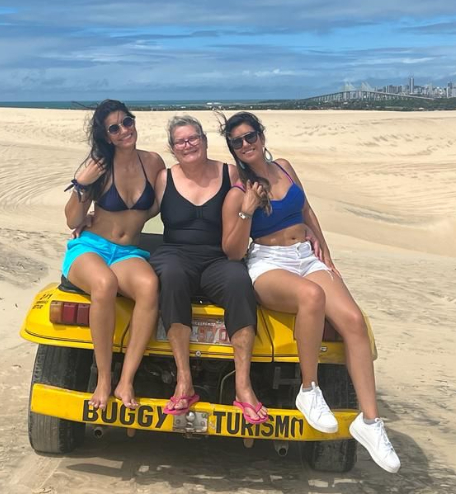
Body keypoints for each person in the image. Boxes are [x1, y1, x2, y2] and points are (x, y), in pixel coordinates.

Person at [219, 111, 400, 473]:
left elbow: (306, 211)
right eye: (237, 142)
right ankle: (309, 389)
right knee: (312, 297)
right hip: (268, 263)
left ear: (261, 136)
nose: (246, 144)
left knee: (353, 321)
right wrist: (247, 212)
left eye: (250, 136)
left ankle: (370, 421)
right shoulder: (238, 193)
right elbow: (233, 252)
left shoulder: (284, 167)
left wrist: (324, 250)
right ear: (234, 150)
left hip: (305, 255)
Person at [150, 115, 268, 424]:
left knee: (239, 280)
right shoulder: (164, 178)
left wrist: (301, 228)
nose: (188, 145)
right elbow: (136, 210)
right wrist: (96, 222)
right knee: (172, 275)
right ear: (172, 148)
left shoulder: (230, 173)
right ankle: (184, 380)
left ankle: (243, 386)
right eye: (181, 141)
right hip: (176, 255)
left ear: (204, 140)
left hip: (219, 258)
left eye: (193, 138)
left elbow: (262, 200)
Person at [63, 99, 165, 410]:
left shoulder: (153, 162)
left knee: (149, 286)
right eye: (114, 128)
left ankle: (126, 380)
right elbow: (72, 220)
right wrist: (81, 184)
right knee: (104, 284)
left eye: (127, 122)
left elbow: (163, 203)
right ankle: (104, 379)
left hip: (128, 251)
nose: (124, 131)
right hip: (91, 247)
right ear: (106, 136)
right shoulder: (99, 166)